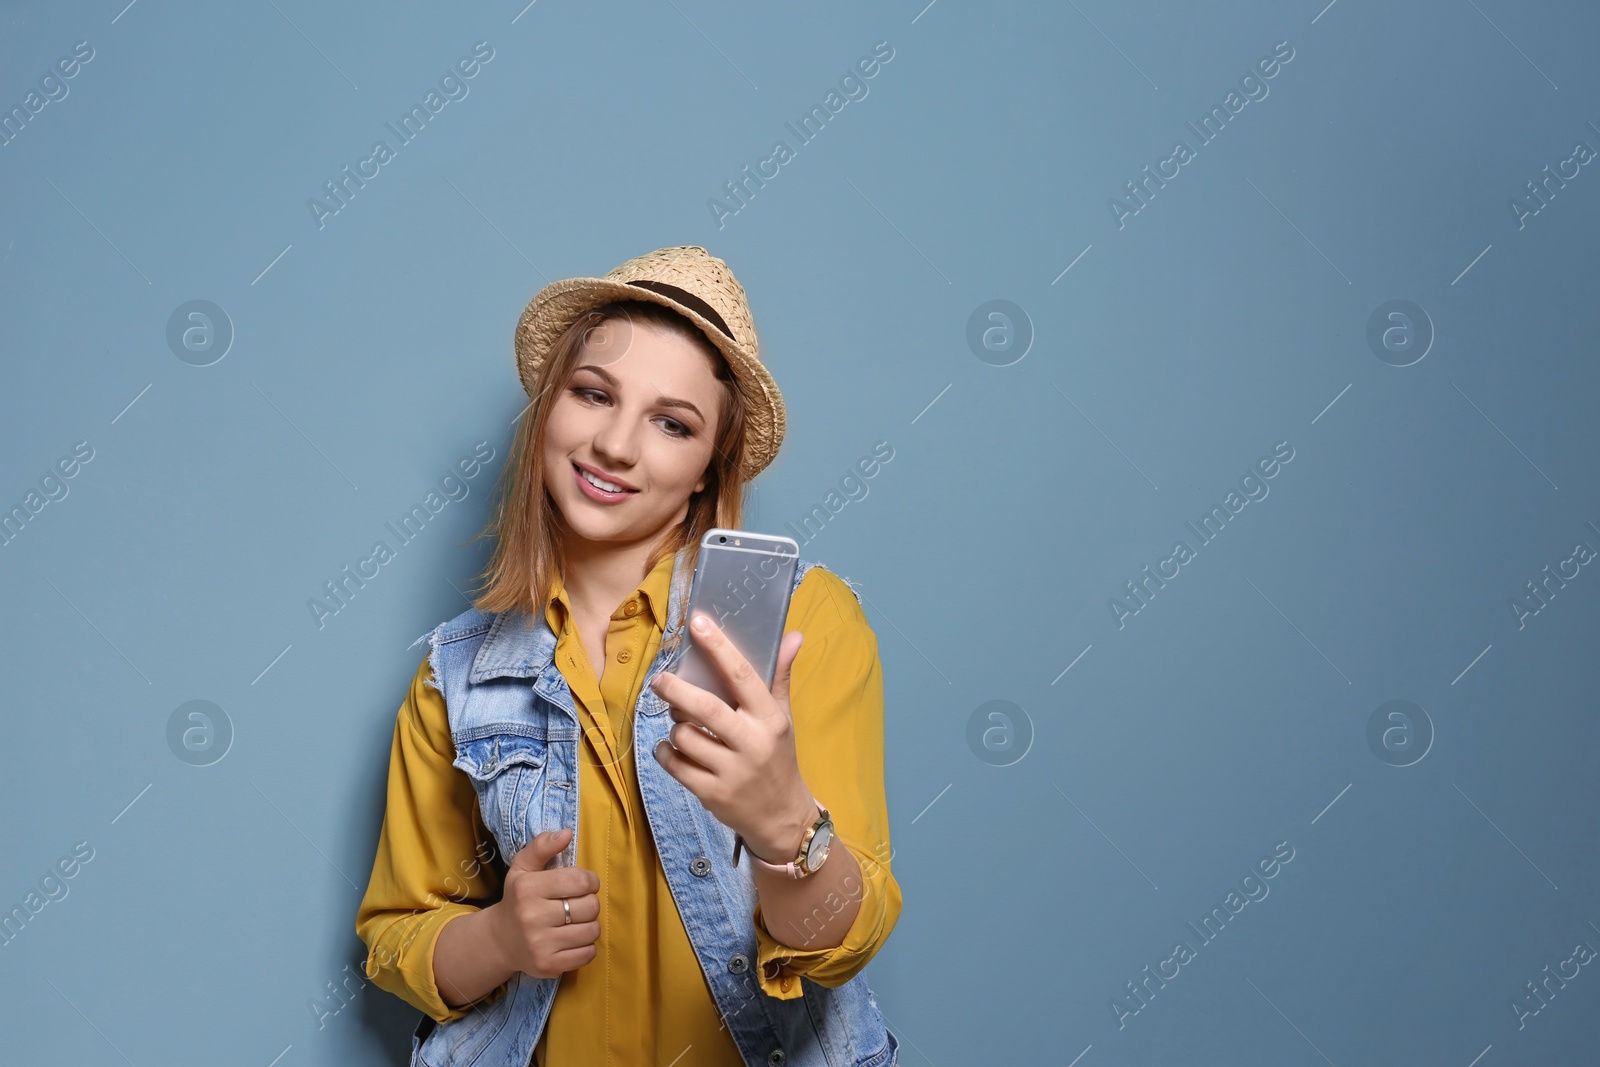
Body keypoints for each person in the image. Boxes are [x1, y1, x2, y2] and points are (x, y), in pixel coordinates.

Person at [355, 246, 902, 1067]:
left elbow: (843, 942)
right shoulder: (456, 676)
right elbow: (396, 937)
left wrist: (784, 824)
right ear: (549, 408)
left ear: (708, 463)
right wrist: (500, 936)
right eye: (594, 394)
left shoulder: (805, 621)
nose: (614, 444)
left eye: (671, 422)